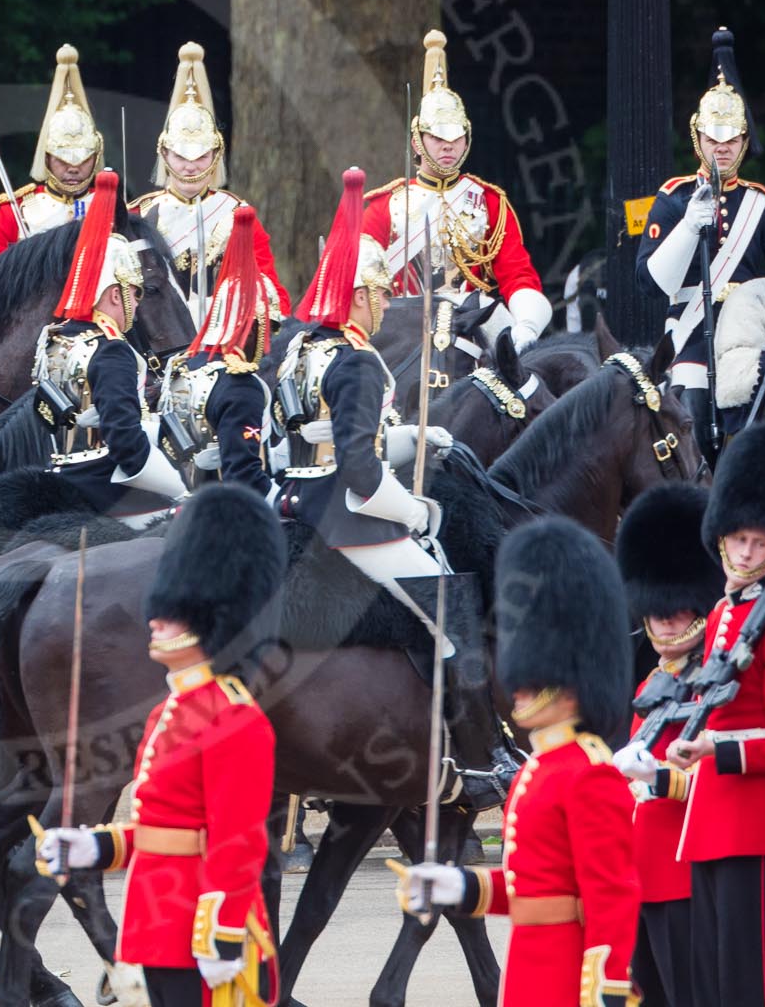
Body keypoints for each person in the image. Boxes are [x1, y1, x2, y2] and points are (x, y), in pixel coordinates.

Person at [278, 167, 515, 806]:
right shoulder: (357, 360)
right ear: (357, 294)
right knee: (453, 613)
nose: (386, 304)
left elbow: (327, 436)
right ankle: (479, 763)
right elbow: (359, 468)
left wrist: (419, 440)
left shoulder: (301, 350)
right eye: (378, 292)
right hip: (348, 516)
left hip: (294, 499)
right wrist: (417, 511)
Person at [40, 485, 284, 1007]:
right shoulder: (164, 712)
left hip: (204, 934)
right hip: (157, 928)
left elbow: (237, 845)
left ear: (209, 620)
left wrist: (222, 934)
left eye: (170, 614)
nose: (154, 620)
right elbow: (166, 830)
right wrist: (96, 847)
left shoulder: (234, 719)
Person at [398, 516, 639, 1007]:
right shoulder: (538, 765)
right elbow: (531, 888)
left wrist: (606, 987)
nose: (522, 686)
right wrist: (461, 885)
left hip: (568, 978)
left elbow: (611, 897)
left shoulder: (590, 772)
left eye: (537, 676)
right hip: (527, 975)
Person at [662, 423, 765, 1007]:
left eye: (759, 544)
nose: (746, 553)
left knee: (745, 978)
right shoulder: (724, 615)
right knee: (707, 976)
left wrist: (720, 751)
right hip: (707, 817)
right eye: (738, 541)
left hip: (752, 822)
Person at [636, 27, 765, 454]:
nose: (722, 150)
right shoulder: (674, 199)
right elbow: (650, 281)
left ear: (744, 141)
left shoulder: (758, 203)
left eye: (732, 141)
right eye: (714, 140)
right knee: (690, 394)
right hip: (691, 330)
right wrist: (690, 227)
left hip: (747, 329)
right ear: (698, 138)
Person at [362, 30, 554, 351]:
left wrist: (526, 327)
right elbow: (359, 282)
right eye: (437, 137)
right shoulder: (385, 205)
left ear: (467, 139)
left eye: (455, 137)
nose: (448, 146)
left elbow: (517, 274)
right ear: (417, 142)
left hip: (471, 322)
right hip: (399, 326)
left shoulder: (489, 202)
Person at [611, 482, 724, 1007]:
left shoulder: (713, 683)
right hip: (639, 873)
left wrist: (659, 779)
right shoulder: (648, 685)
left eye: (674, 612)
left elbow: (714, 776)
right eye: (656, 612)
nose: (662, 621)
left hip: (684, 873)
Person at [35, 170, 188, 524]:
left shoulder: (55, 338)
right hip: (106, 491)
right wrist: (177, 487)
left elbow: (42, 413)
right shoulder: (112, 350)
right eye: (136, 293)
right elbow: (125, 446)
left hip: (60, 478)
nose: (137, 303)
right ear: (116, 294)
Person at [128, 42, 290, 315]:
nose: (190, 167)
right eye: (181, 156)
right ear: (165, 153)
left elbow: (269, 287)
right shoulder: (139, 214)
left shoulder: (239, 215)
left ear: (216, 154)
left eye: (201, 157)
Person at [158, 205, 276, 497]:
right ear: (252, 324)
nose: (269, 337)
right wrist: (282, 499)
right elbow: (244, 476)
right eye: (268, 326)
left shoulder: (183, 367)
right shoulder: (241, 385)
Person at [0, 45, 106, 264]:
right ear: (46, 156)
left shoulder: (110, 207)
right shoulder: (15, 212)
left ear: (96, 156)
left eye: (83, 157)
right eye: (62, 158)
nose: (73, 167)